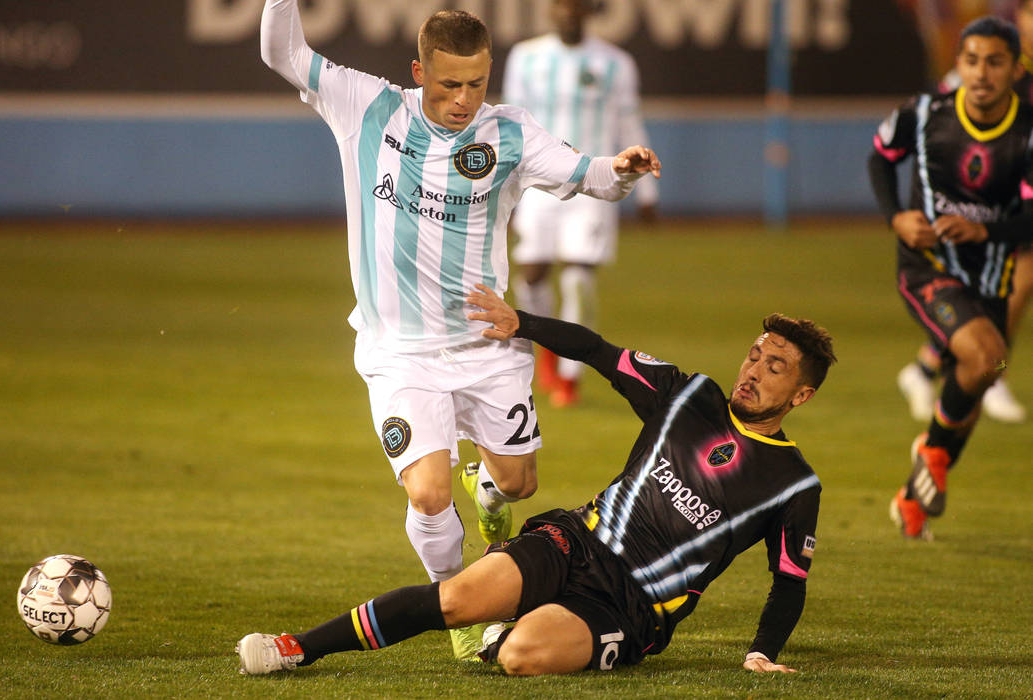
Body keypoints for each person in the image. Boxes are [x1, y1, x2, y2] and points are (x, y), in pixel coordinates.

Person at [259, 0, 661, 659]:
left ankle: (490, 489)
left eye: (476, 83)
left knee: (521, 482)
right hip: (400, 353)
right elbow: (284, 53)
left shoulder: (510, 134)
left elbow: (585, 173)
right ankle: (460, 605)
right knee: (428, 489)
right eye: (448, 84)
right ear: (419, 71)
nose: (463, 99)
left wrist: (620, 170)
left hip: (486, 347)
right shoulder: (367, 106)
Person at [236, 285, 836, 677]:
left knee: (520, 656)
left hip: (632, 607)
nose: (754, 370)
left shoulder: (792, 485)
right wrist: (519, 321)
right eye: (756, 354)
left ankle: (512, 622)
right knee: (455, 601)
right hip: (577, 540)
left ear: (801, 395)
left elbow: (788, 583)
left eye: (775, 366)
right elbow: (598, 351)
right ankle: (299, 647)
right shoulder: (688, 396)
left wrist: (763, 653)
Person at [868, 16, 1033, 540]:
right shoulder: (923, 115)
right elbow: (880, 157)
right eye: (971, 60)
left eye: (994, 62)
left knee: (982, 376)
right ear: (956, 64)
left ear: (1015, 69)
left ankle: (913, 493)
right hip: (928, 271)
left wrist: (987, 233)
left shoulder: (1027, 132)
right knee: (985, 358)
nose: (981, 73)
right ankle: (933, 452)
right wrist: (896, 215)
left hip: (990, 278)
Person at [504, 0, 659, 408]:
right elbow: (511, 124)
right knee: (532, 274)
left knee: (578, 276)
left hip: (594, 182)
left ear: (589, 11)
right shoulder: (525, 58)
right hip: (537, 182)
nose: (567, 12)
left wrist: (646, 190)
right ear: (550, 10)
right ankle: (548, 353)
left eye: (575, 5)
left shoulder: (616, 64)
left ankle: (570, 376)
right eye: (560, 5)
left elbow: (629, 121)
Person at [899, 0, 1033, 424]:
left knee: (997, 289)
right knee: (1013, 284)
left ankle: (927, 370)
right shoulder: (992, 67)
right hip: (980, 202)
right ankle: (988, 375)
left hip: (1011, 199)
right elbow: (936, 124)